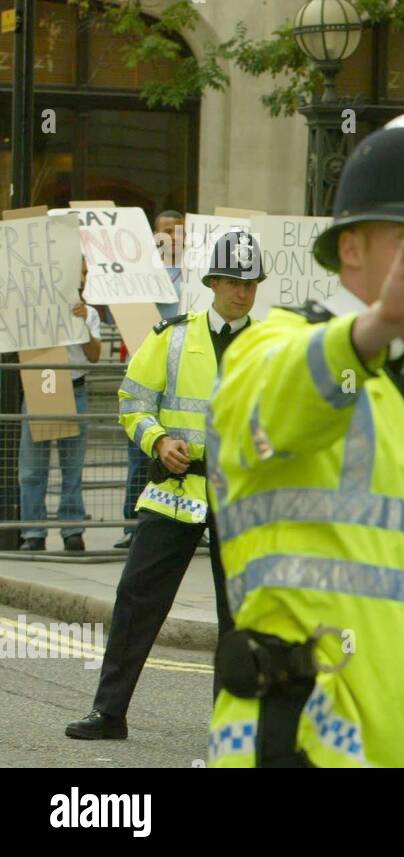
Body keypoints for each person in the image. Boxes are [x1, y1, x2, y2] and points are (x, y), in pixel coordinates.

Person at [206, 118, 404, 768]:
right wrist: (373, 329)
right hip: (300, 741)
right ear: (350, 250)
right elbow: (276, 400)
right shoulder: (277, 343)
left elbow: (388, 576)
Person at [65, 230, 263, 740]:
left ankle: (232, 729)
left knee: (240, 615)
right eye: (234, 282)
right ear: (214, 282)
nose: (243, 292)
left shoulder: (272, 349)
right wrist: (156, 441)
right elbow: (132, 402)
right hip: (176, 490)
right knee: (137, 598)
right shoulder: (172, 336)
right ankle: (109, 713)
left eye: (251, 283)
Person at [116, 210, 188, 550]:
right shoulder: (140, 276)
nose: (172, 238)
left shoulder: (198, 277)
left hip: (185, 374)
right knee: (139, 453)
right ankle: (133, 526)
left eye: (178, 232)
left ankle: (188, 522)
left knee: (181, 449)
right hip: (148, 370)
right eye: (165, 232)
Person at [17, 265, 101, 552]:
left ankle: (72, 531)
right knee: (32, 469)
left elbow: (94, 356)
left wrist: (81, 326)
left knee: (72, 468)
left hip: (74, 391)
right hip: (40, 389)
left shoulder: (89, 314)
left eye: (83, 271)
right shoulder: (33, 310)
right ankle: (33, 533)